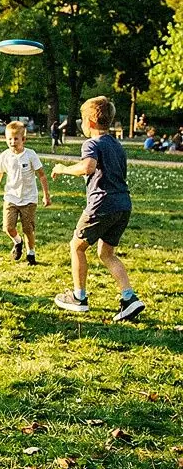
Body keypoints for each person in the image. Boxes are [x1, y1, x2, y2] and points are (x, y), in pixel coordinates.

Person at [52, 96, 144, 322]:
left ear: (90, 122)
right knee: (106, 253)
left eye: (82, 119)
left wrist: (63, 168)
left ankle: (78, 297)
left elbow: (88, 166)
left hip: (102, 205)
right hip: (123, 205)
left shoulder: (91, 143)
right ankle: (129, 298)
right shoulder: (116, 145)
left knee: (77, 247)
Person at [0, 121, 51, 265]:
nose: (12, 142)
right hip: (11, 197)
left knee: (28, 229)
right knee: (8, 227)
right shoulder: (5, 156)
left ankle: (31, 253)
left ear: (23, 139)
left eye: (16, 139)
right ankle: (17, 242)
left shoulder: (30, 155)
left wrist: (46, 195)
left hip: (29, 198)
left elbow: (42, 175)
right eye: (9, 139)